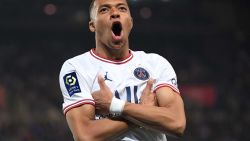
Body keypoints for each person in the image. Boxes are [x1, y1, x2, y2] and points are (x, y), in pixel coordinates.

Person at [59, 0, 186, 140]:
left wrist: (114, 105)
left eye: (122, 8)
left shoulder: (156, 64)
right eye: (104, 10)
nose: (115, 13)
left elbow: (177, 123)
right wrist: (145, 112)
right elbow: (85, 135)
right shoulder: (76, 68)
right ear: (92, 25)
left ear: (130, 22)